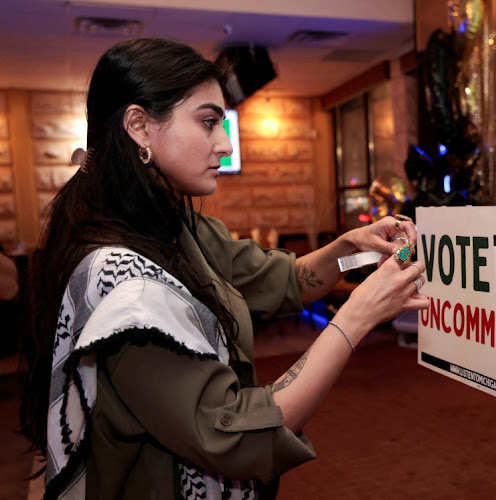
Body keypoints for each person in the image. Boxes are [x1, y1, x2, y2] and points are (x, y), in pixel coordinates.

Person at [19, 37, 429, 499]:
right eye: (209, 122)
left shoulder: (174, 222)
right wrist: (356, 317)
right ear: (139, 126)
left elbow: (279, 279)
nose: (225, 144)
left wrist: (346, 247)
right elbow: (234, 434)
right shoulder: (122, 285)